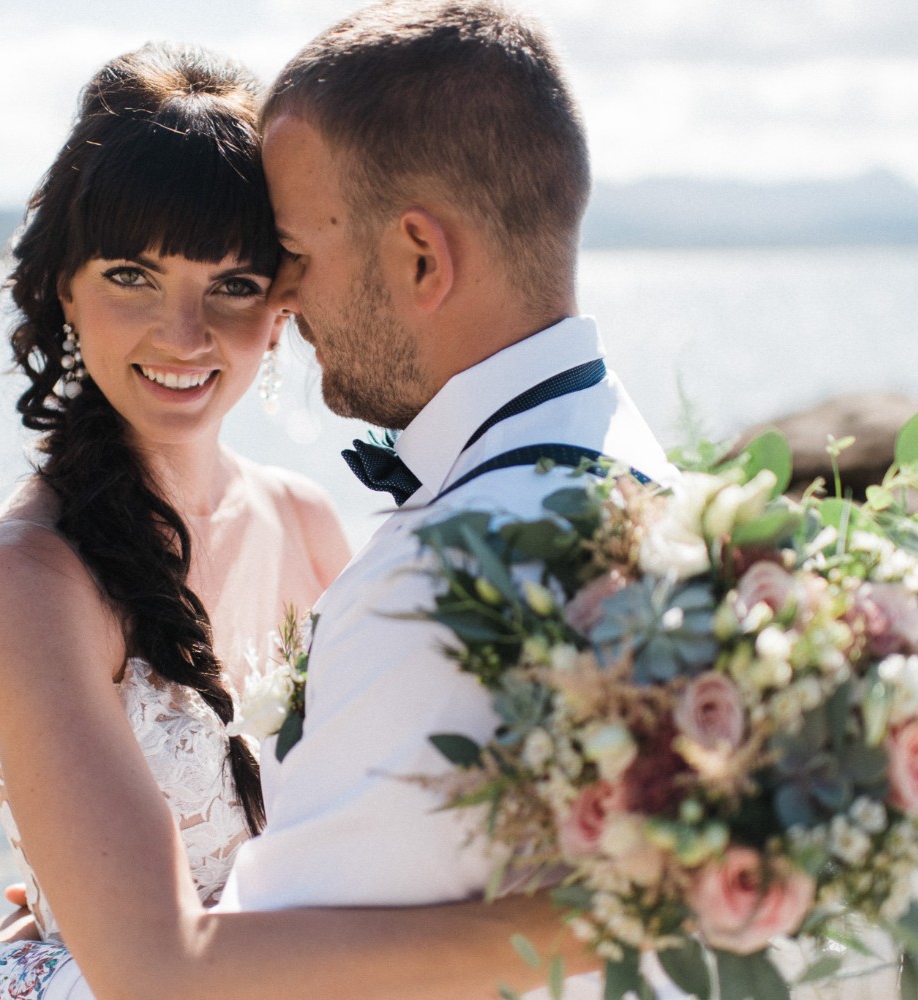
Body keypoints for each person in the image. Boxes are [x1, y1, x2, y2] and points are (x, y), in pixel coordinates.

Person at [0, 39, 598, 1000]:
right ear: (64, 286)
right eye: (132, 275)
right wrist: (581, 924)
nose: (185, 333)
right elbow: (154, 971)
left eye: (232, 284)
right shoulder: (28, 580)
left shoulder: (308, 519)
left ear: (283, 303)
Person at [213, 1, 679, 994]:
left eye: (296, 251)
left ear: (420, 256)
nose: (280, 298)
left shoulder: (445, 582)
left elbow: (247, 977)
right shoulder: (660, 489)